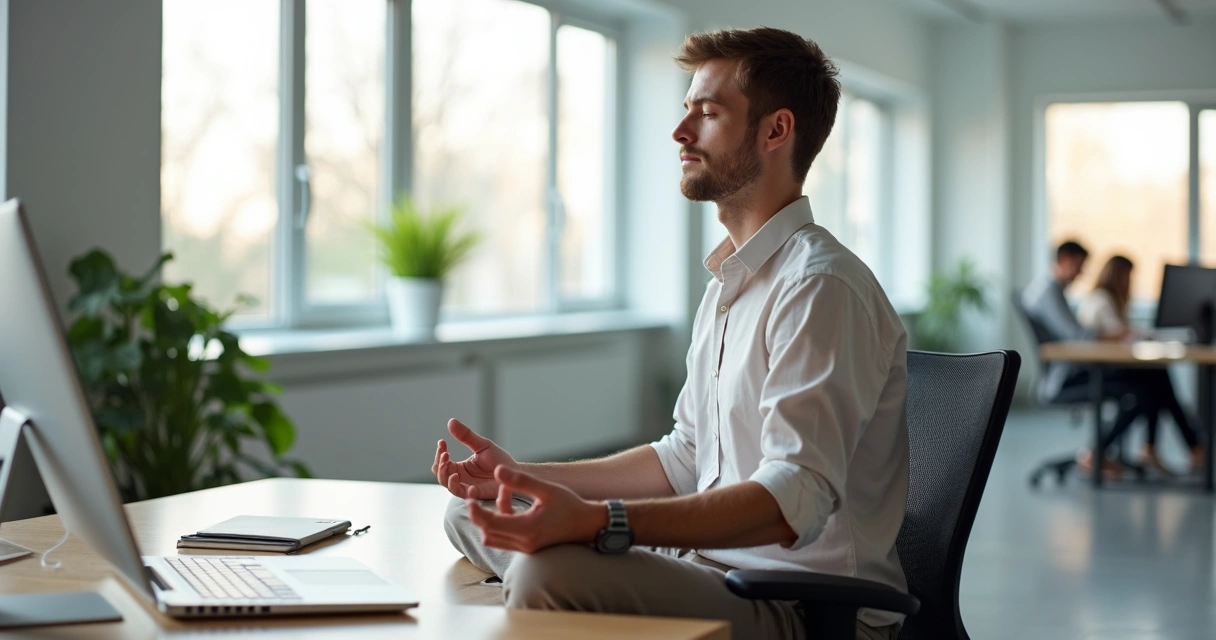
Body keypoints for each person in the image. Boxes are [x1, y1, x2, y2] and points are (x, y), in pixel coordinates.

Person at [433, 27, 908, 640]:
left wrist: (601, 523)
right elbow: (684, 456)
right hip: (708, 569)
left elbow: (792, 499)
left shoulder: (820, 286)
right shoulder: (731, 282)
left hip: (800, 605)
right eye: (687, 110)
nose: (680, 132)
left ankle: (558, 594)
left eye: (707, 113)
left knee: (543, 573)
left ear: (775, 131)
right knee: (472, 511)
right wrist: (522, 476)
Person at [1022, 241, 1154, 478]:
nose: (1081, 274)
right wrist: (1121, 334)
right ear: (1064, 259)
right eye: (1079, 266)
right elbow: (1078, 336)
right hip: (1064, 380)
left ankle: (1116, 452)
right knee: (1141, 391)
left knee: (1149, 379)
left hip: (1071, 372)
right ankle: (1097, 453)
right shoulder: (1048, 292)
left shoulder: (1049, 291)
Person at [1077, 255, 1205, 475]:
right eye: (1127, 276)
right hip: (1096, 372)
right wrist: (1142, 335)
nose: (1129, 282)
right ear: (1116, 275)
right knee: (1151, 387)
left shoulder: (1113, 301)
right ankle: (1099, 452)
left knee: (1156, 378)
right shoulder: (1101, 299)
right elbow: (1118, 334)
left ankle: (1158, 448)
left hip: (1111, 367)